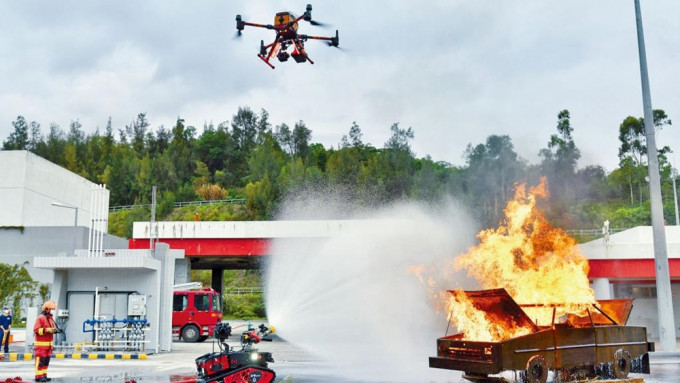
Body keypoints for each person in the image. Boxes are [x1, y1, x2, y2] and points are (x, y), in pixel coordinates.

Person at [34, 301, 58, 382]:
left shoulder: (50, 318)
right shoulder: (40, 318)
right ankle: (38, 376)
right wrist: (47, 330)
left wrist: (53, 330)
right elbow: (36, 330)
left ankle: (44, 375)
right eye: (52, 309)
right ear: (47, 309)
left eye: (54, 309)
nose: (53, 310)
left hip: (48, 346)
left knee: (46, 362)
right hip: (41, 346)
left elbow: (50, 329)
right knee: (40, 362)